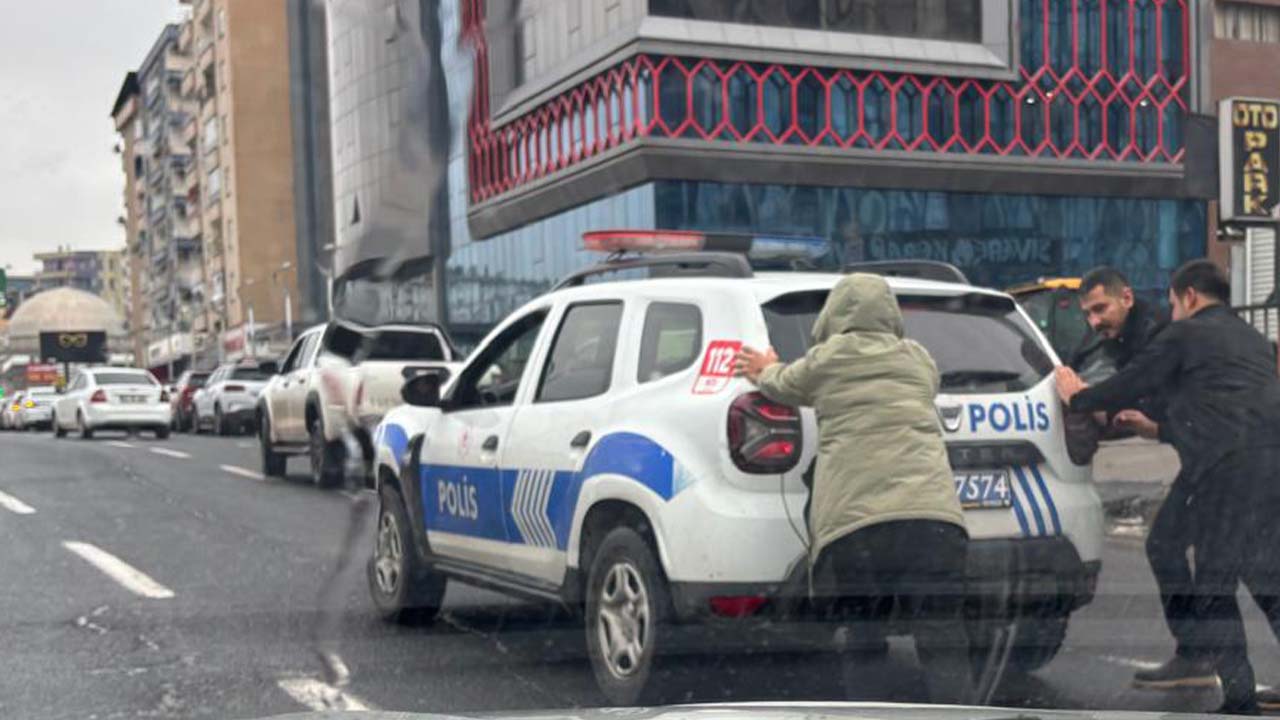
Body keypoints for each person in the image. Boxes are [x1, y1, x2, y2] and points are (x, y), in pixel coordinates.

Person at [733, 273, 972, 704]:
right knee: (944, 638)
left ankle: (868, 715)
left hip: (860, 529)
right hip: (934, 523)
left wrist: (763, 366)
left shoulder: (827, 359)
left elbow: (784, 384)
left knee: (865, 637)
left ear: (833, 315)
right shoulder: (918, 358)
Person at [1056, 260, 1280, 714]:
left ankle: (1238, 701)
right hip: (1267, 463)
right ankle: (1204, 662)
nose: (1172, 311)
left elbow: (1133, 382)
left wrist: (1077, 396)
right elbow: (1220, 403)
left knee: (1215, 586)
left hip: (1223, 469)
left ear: (1190, 298)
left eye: (1175, 303)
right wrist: (1158, 429)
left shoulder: (1184, 334)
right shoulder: (1253, 340)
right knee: (1260, 573)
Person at [1071, 269, 1216, 690]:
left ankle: (1198, 654)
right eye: (1088, 314)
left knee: (1190, 551)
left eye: (1100, 308)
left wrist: (1086, 399)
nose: (1094, 321)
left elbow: (1148, 389)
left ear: (1127, 297)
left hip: (1221, 456)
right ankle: (1198, 653)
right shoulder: (1119, 336)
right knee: (1200, 554)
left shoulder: (1157, 332)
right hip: (1208, 455)